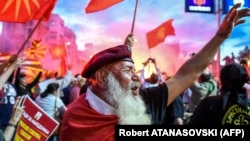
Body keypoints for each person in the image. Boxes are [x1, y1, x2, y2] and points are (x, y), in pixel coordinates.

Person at [59, 3, 250, 140]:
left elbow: (186, 75)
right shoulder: (76, 118)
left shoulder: (144, 100)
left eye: (135, 70)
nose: (136, 76)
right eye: (128, 70)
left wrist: (219, 37)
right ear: (101, 77)